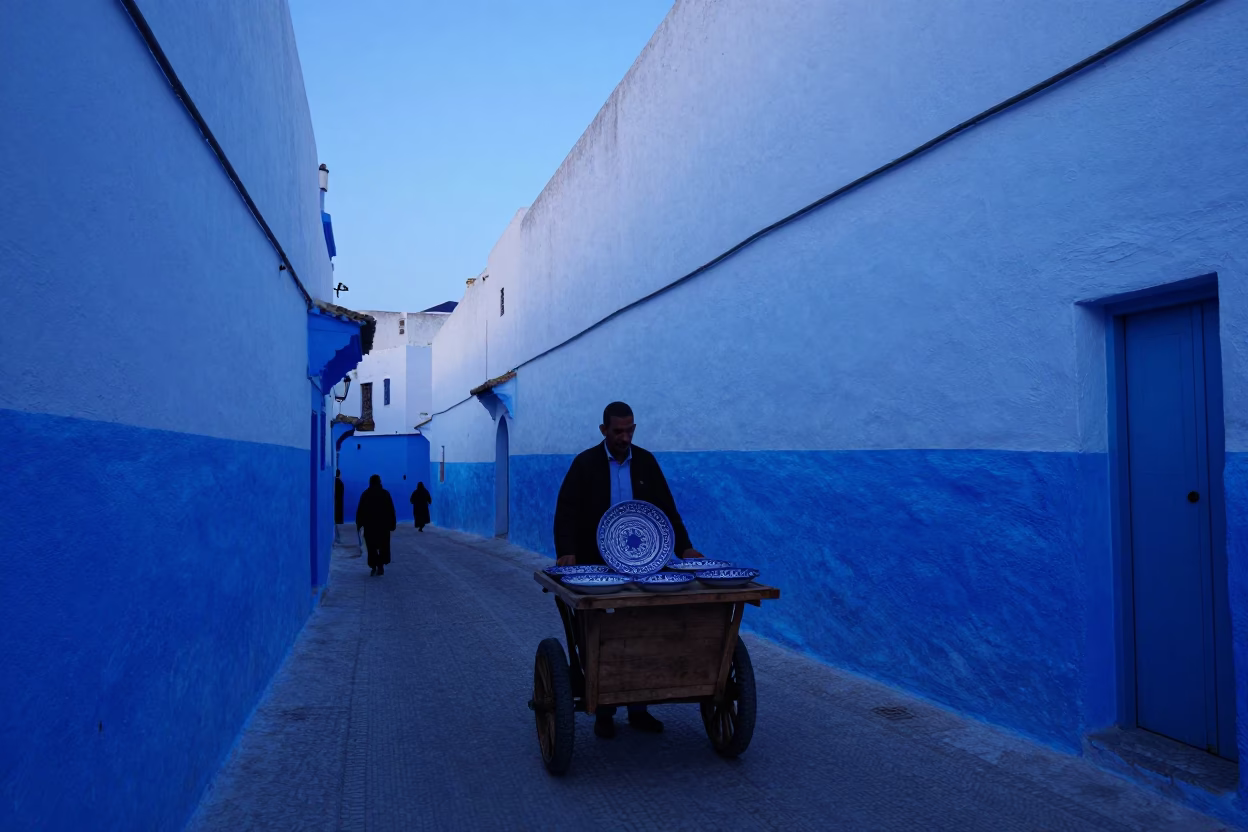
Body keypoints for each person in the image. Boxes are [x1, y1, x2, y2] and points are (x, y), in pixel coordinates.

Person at [553, 401, 703, 739]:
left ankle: (639, 708)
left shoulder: (647, 462)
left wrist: (684, 547)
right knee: (600, 633)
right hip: (596, 565)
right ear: (603, 430)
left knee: (645, 629)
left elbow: (667, 509)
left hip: (646, 563)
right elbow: (567, 510)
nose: (624, 437)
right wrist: (566, 552)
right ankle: (604, 709)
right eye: (618, 431)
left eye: (630, 430)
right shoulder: (584, 464)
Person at [355, 474, 396, 576]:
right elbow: (391, 510)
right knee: (383, 546)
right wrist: (392, 524)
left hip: (370, 526)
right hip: (383, 526)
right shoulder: (385, 494)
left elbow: (360, 511)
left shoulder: (365, 494)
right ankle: (380, 565)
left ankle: (374, 565)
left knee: (371, 546)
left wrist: (359, 524)